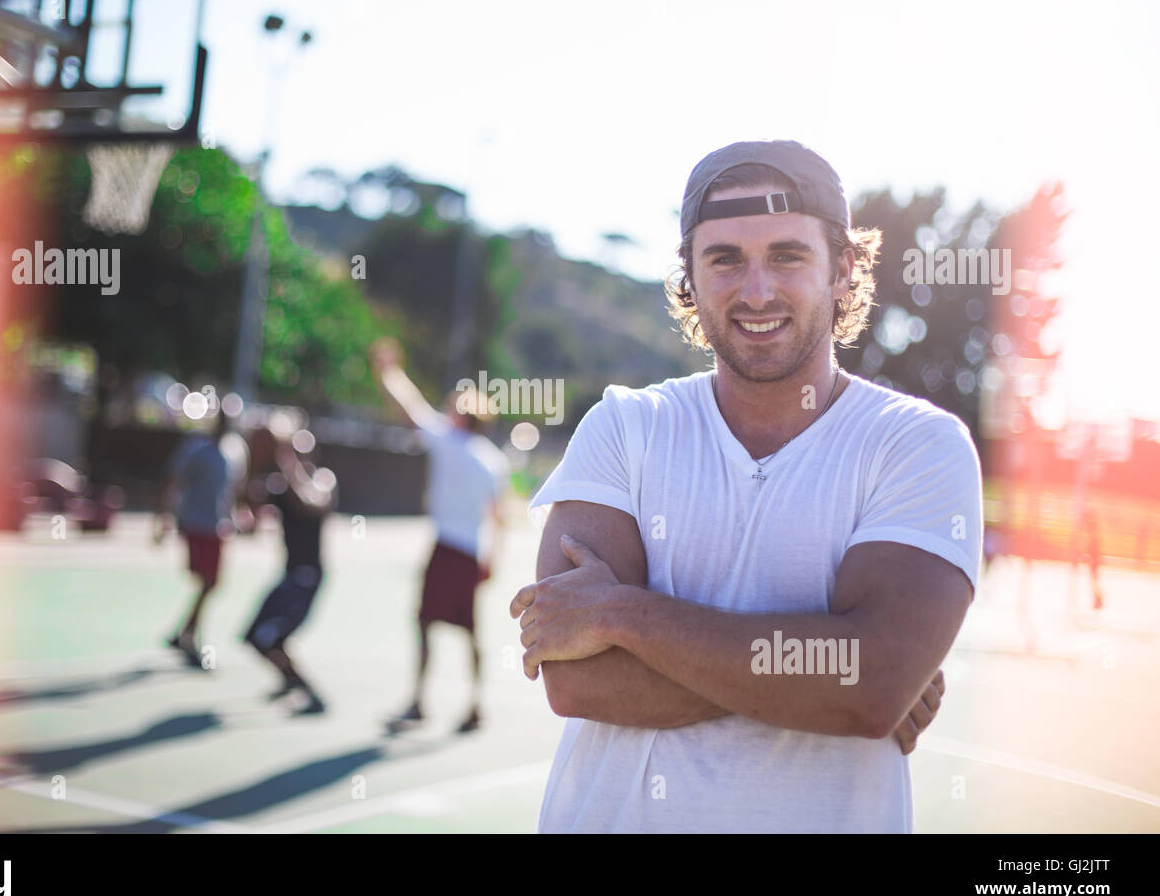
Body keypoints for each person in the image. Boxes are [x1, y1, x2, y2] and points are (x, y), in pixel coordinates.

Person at [512, 140, 981, 832]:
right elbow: (578, 679)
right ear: (690, 278)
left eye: (787, 256)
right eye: (724, 258)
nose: (755, 290)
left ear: (843, 269)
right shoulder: (624, 426)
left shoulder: (916, 444)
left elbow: (871, 688)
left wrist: (622, 616)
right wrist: (825, 672)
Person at [370, 339, 508, 734]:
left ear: (462, 417)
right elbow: (500, 520)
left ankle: (418, 701)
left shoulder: (450, 442)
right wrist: (491, 561)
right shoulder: (492, 461)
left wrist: (389, 371)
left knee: (426, 622)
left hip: (447, 549)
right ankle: (476, 704)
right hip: (469, 555)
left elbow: (410, 408)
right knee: (470, 632)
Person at [242, 424, 337, 714]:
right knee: (257, 637)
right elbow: (248, 511)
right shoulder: (279, 484)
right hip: (289, 574)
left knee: (269, 637)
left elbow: (311, 505)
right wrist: (254, 460)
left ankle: (309, 691)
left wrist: (285, 459)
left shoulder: (322, 480)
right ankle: (289, 679)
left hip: (307, 576)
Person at [157, 409, 248, 667]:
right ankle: (188, 635)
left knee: (211, 583)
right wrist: (163, 517)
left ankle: (184, 633)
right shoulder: (196, 449)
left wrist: (239, 514)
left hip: (218, 527)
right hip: (195, 523)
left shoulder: (235, 451)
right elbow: (174, 481)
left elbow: (234, 489)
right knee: (207, 581)